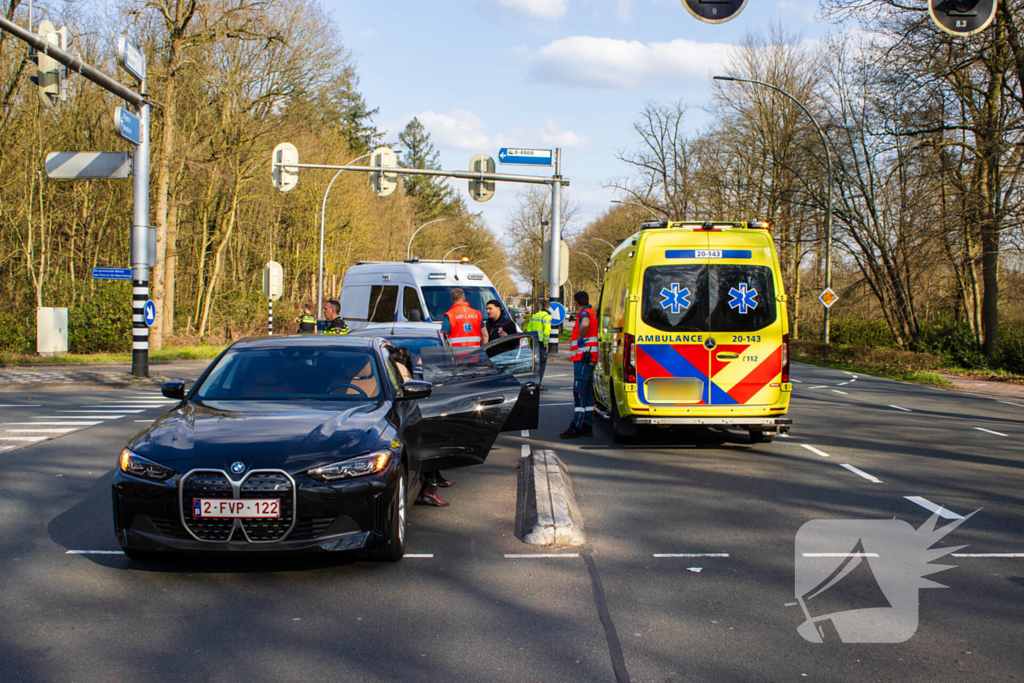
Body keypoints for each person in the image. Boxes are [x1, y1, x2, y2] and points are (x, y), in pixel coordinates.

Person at [561, 291, 598, 439]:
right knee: (587, 393)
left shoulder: (584, 313)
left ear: (576, 303)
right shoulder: (591, 312)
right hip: (589, 358)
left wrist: (581, 337)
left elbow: (585, 324)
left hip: (583, 357)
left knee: (579, 393)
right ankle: (587, 426)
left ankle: (576, 425)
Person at [441, 288, 483, 353]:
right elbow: (485, 335)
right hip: (475, 355)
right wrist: (482, 352)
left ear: (451, 300)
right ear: (464, 298)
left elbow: (444, 337)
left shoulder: (449, 315)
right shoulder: (477, 314)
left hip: (456, 356)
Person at [523, 299, 552, 391]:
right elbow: (547, 331)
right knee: (542, 363)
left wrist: (529, 341)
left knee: (534, 363)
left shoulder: (535, 315)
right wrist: (545, 342)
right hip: (540, 342)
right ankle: (538, 384)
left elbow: (529, 328)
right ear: (548, 307)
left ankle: (531, 382)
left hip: (533, 342)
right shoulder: (546, 317)